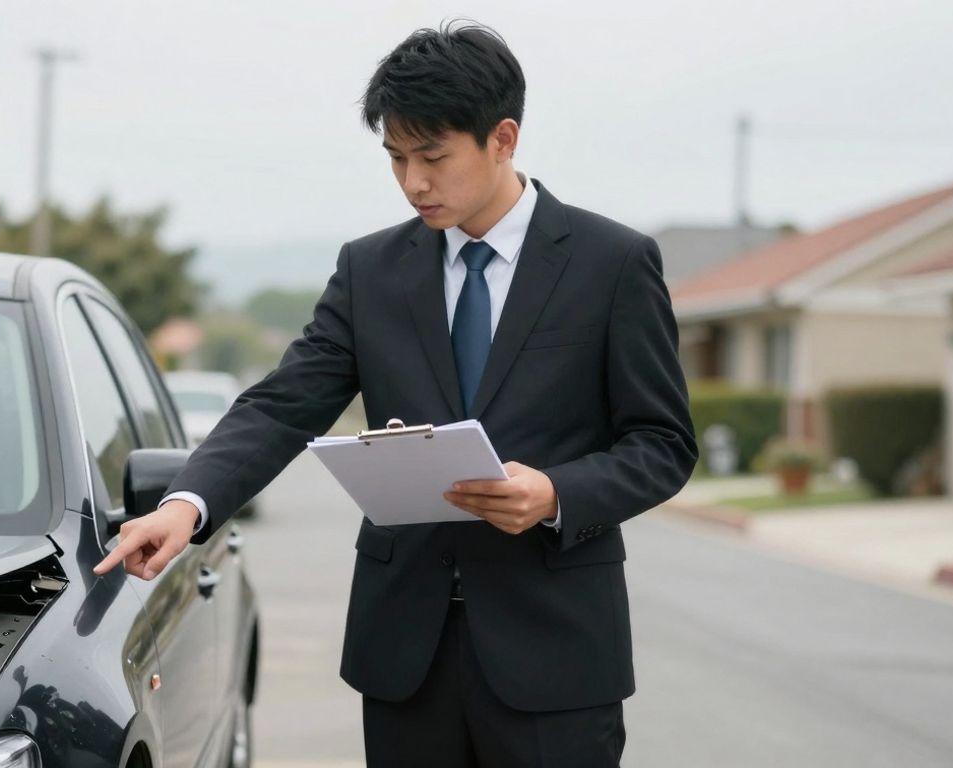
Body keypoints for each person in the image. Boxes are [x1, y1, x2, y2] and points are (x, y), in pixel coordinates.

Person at [94, 21, 697, 767]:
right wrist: (185, 506)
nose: (414, 181)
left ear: (503, 138)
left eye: (434, 157)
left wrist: (555, 493)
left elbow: (663, 444)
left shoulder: (612, 263)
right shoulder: (371, 270)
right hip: (406, 653)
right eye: (397, 158)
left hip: (558, 653)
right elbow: (283, 403)